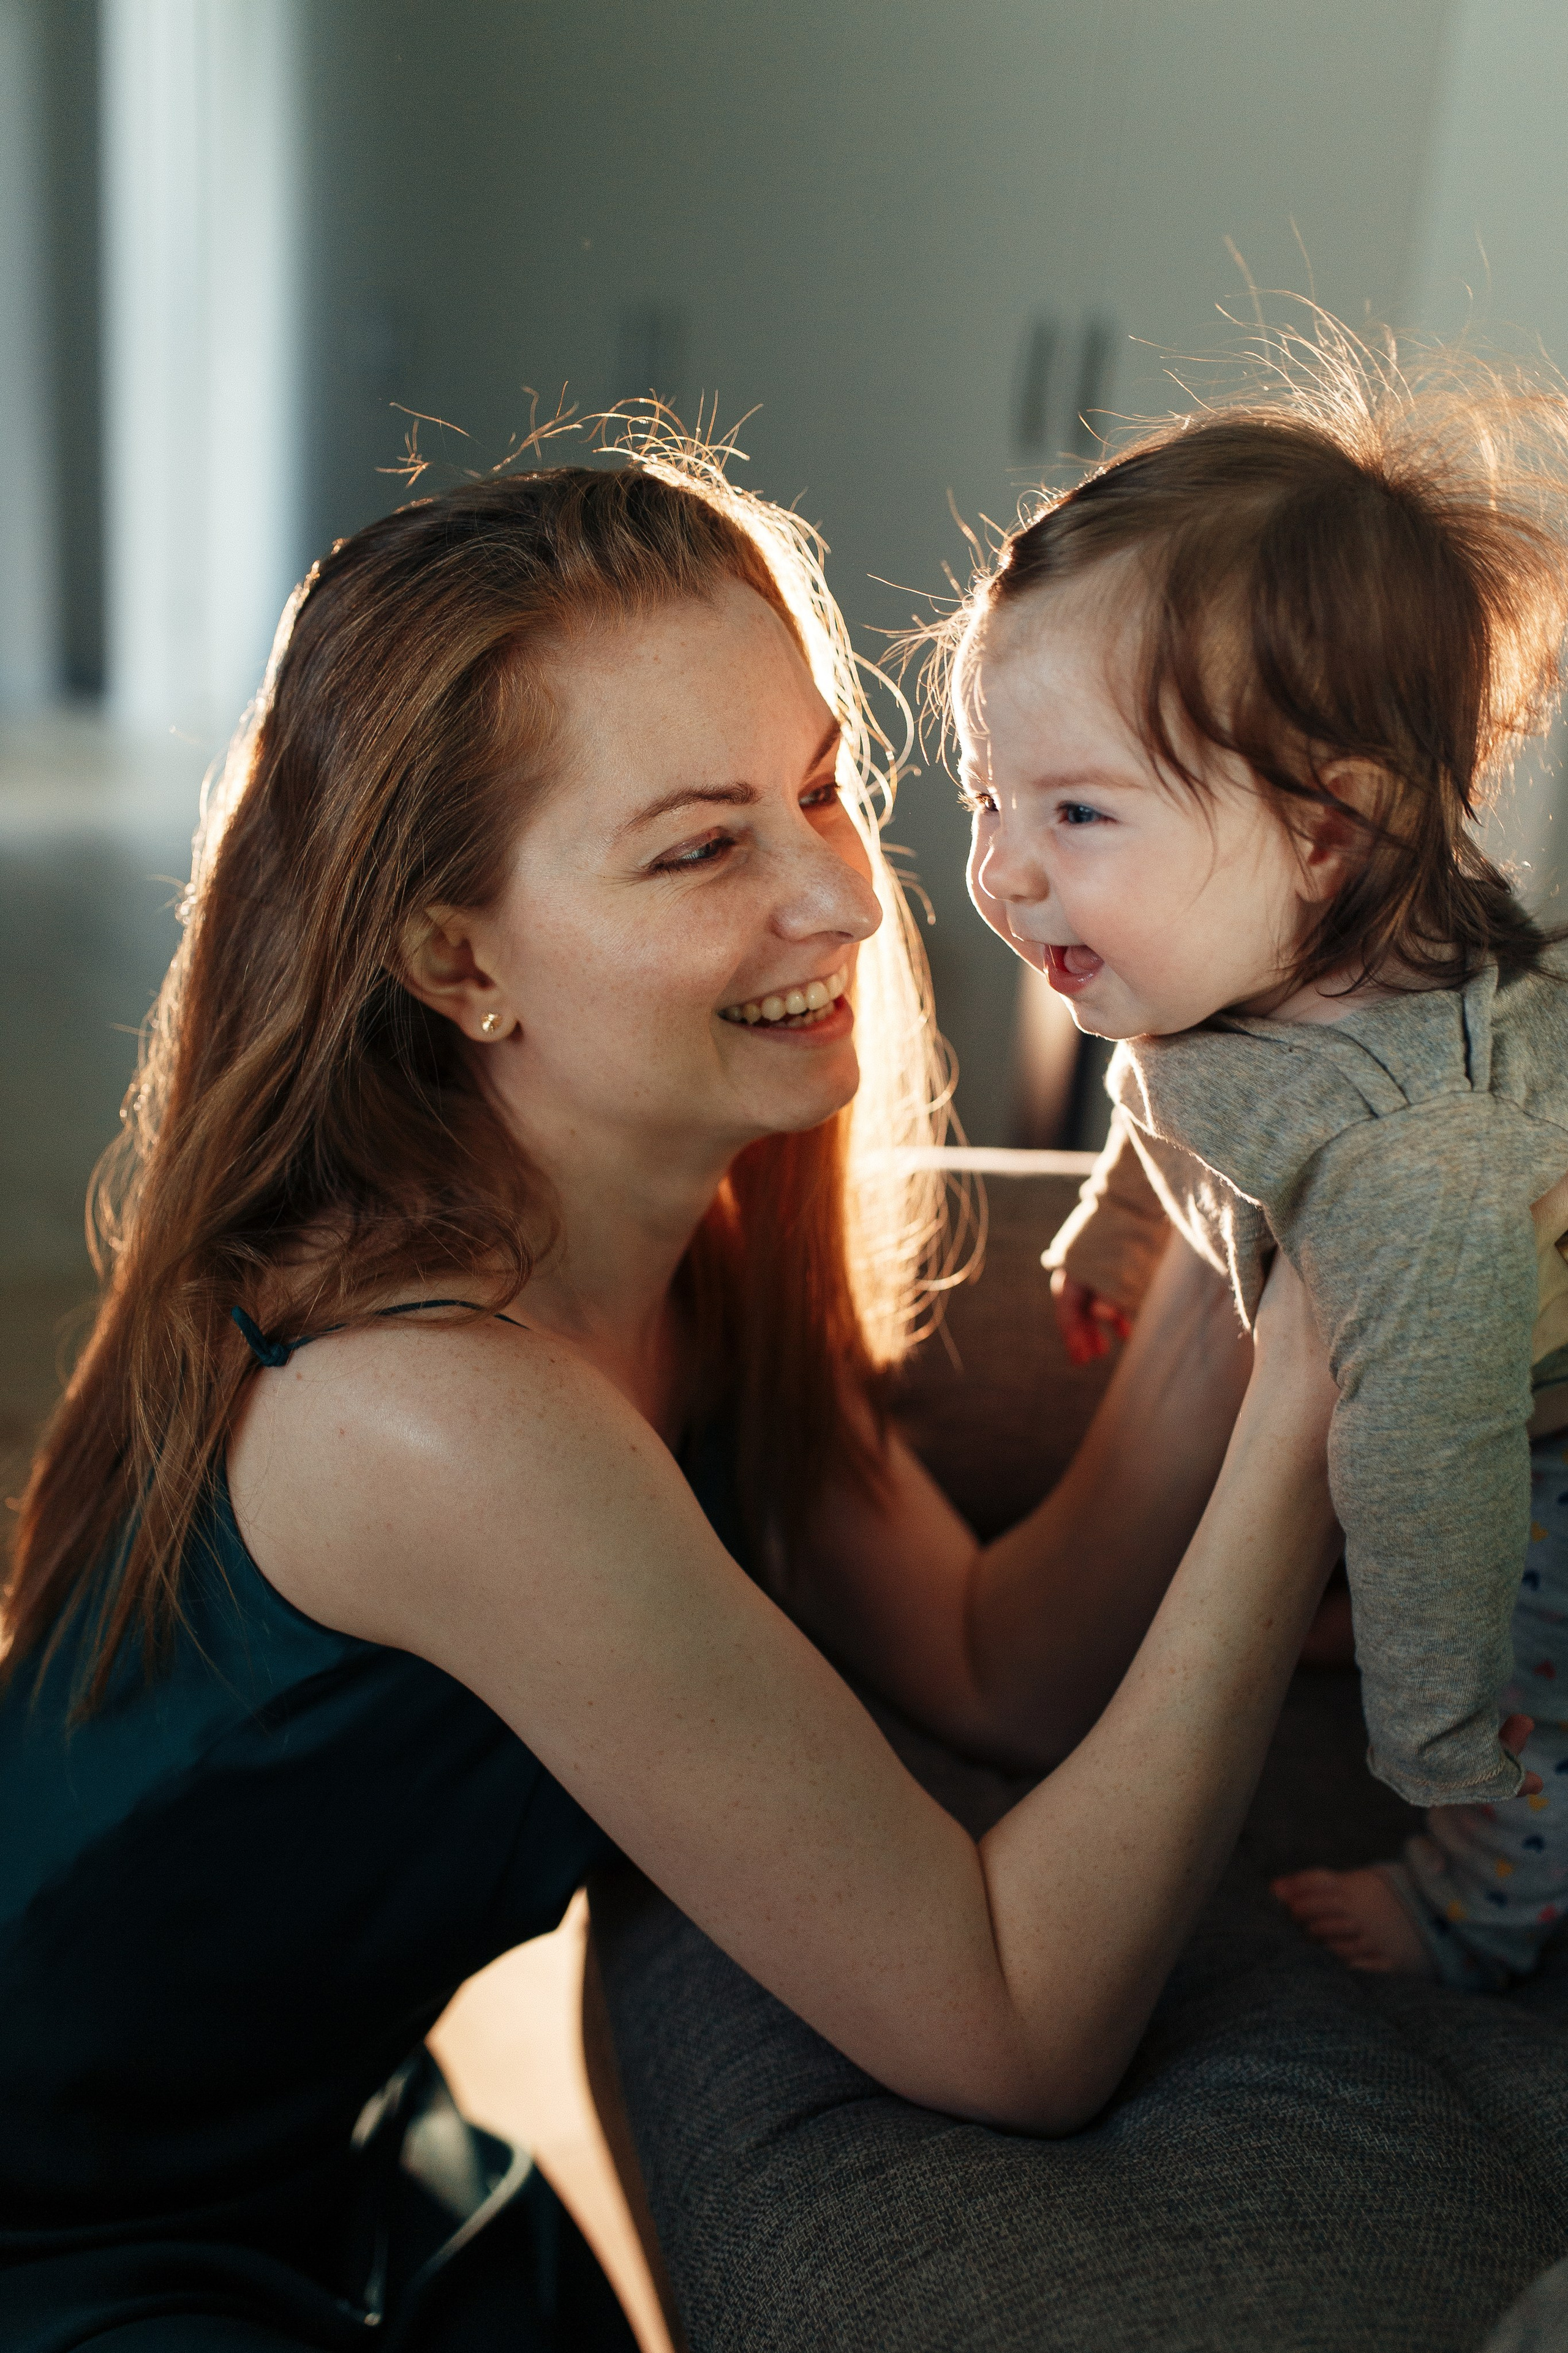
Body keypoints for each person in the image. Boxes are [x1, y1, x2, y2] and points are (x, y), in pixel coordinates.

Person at [1, 437, 1338, 2352]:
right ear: (457, 959)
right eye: (705, 846)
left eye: (820, 790)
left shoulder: (681, 1250)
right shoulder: (441, 1413)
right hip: (69, 2235)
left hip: (324, 2160)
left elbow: (994, 1657)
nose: (848, 901)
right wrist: (1315, 1400)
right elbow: (1016, 2024)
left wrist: (1260, 1200)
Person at [945, 326, 1564, 1992]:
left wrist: (1424, 1722)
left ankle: (1473, 1899)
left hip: (1524, 1450)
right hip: (1442, 1377)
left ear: (1322, 828)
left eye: (1073, 815)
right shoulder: (1243, 957)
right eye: (988, 798)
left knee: (1528, 1669)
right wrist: (1117, 1231)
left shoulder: (1409, 1165)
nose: (1002, 875)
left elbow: (1432, 1476)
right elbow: (1182, 1096)